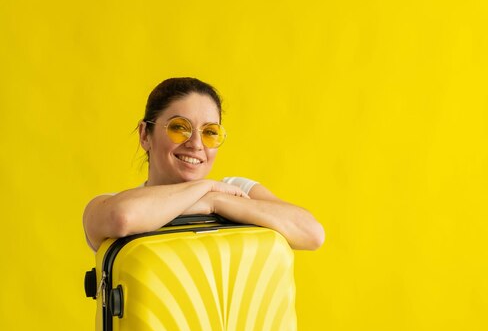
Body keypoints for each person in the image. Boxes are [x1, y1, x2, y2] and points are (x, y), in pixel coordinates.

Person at [83, 77, 325, 252]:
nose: (196, 144)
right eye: (179, 127)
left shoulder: (233, 190)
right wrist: (205, 195)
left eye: (210, 132)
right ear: (145, 134)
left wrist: (216, 201)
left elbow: (311, 233)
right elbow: (123, 219)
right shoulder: (111, 205)